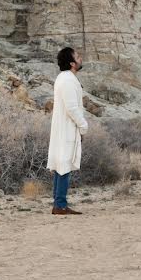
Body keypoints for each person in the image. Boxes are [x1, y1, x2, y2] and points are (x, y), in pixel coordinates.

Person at [47, 46, 88, 215]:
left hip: (63, 128)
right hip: (66, 129)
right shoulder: (68, 80)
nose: (80, 59)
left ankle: (59, 203)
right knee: (64, 164)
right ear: (72, 63)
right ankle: (60, 205)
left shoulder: (64, 78)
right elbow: (72, 108)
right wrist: (83, 125)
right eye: (77, 57)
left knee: (61, 165)